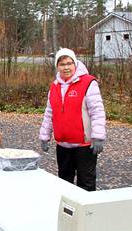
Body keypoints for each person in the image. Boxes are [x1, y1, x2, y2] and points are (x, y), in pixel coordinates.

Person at [39, 48, 106, 191]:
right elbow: (49, 113)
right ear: (57, 66)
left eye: (69, 63)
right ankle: (67, 213)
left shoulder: (88, 83)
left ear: (75, 64)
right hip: (63, 145)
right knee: (64, 184)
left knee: (86, 183)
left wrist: (98, 136)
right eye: (62, 64)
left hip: (84, 145)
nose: (66, 67)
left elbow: (97, 111)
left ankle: (88, 212)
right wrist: (44, 136)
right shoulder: (54, 86)